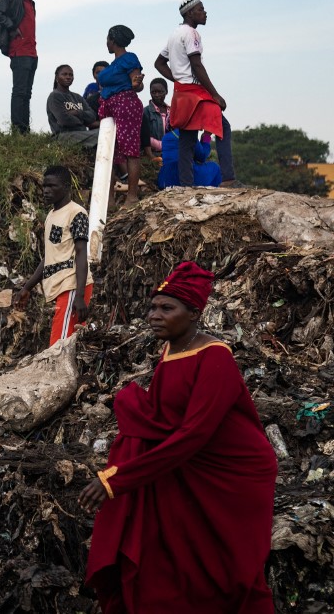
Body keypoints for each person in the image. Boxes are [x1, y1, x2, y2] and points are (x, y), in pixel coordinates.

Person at [79, 261, 277, 613]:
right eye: (153, 307)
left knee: (227, 570)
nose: (154, 315)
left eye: (166, 308)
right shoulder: (171, 350)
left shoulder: (215, 359)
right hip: (186, 466)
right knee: (172, 561)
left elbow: (192, 435)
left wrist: (115, 481)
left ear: (194, 313)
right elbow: (164, 419)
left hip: (230, 479)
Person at [155, 0, 240, 187]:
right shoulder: (192, 33)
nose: (205, 12)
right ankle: (228, 178)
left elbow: (158, 63)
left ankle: (186, 184)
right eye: (201, 9)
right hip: (195, 93)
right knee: (222, 126)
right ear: (190, 13)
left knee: (187, 138)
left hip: (181, 93)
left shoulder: (175, 34)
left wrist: (177, 78)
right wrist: (215, 95)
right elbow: (196, 64)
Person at [14, 166, 91, 347]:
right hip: (61, 286)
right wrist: (27, 288)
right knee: (64, 344)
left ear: (65, 187)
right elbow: (50, 257)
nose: (46, 191)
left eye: (52, 186)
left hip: (72, 285)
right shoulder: (51, 215)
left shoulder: (77, 214)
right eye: (44, 186)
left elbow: (81, 254)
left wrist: (79, 295)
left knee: (59, 346)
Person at [96, 25, 145, 207]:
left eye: (107, 40)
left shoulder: (129, 58)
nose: (106, 43)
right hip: (110, 108)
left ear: (113, 41)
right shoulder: (113, 64)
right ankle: (109, 199)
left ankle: (131, 197)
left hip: (125, 105)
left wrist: (136, 84)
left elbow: (137, 84)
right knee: (109, 152)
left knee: (130, 151)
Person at [0, 0, 38, 134]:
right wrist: (11, 26)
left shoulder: (30, 0)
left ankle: (25, 130)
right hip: (19, 51)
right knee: (20, 92)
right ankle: (18, 131)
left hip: (32, 52)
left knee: (27, 93)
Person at [46, 64, 99, 149]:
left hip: (81, 134)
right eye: (64, 74)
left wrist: (77, 112)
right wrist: (84, 121)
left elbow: (92, 116)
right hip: (62, 136)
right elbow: (64, 120)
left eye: (71, 75)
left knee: (106, 132)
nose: (68, 77)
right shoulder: (54, 96)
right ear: (57, 77)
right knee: (101, 134)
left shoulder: (77, 97)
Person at [154, 128, 221, 189]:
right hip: (183, 175)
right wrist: (206, 137)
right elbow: (202, 157)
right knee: (215, 167)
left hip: (165, 179)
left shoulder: (166, 137)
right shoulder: (189, 134)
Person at [142, 78, 170, 157]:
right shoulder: (145, 112)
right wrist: (161, 145)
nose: (157, 95)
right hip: (152, 155)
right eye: (154, 92)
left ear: (166, 92)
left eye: (160, 92)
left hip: (170, 153)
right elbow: (144, 136)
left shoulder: (172, 111)